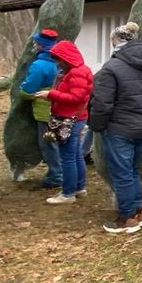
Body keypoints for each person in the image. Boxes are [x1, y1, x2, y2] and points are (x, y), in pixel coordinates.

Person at [89, 22, 142, 233]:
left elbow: (101, 104)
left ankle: (126, 218)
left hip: (119, 129)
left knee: (122, 173)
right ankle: (139, 211)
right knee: (132, 171)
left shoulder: (111, 68)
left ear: (115, 42)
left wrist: (96, 126)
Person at [36, 40, 93, 208]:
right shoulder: (77, 71)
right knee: (75, 154)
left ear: (66, 58)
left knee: (67, 157)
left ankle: (68, 193)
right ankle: (79, 188)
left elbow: (76, 97)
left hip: (69, 119)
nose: (57, 62)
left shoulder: (76, 73)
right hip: (77, 117)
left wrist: (51, 94)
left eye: (58, 59)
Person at [19, 28, 63, 188]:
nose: (35, 45)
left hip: (45, 111)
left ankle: (56, 177)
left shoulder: (39, 66)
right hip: (63, 109)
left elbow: (26, 91)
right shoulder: (61, 61)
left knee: (48, 144)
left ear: (42, 45)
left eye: (37, 42)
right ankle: (65, 173)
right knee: (61, 142)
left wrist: (22, 89)